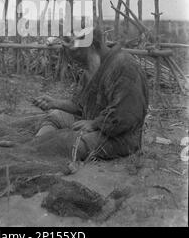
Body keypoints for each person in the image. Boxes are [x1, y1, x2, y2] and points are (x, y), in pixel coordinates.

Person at [33, 28, 149, 161]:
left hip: (118, 137)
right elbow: (79, 105)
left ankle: (39, 150)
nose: (78, 63)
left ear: (92, 46)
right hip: (92, 121)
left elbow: (125, 117)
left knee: (72, 144)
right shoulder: (92, 67)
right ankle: (35, 146)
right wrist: (54, 103)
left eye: (79, 56)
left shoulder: (125, 67)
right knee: (54, 116)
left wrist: (94, 124)